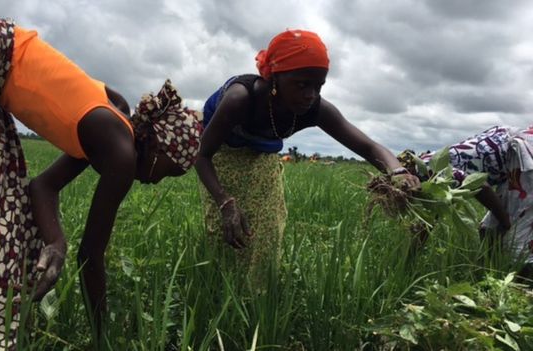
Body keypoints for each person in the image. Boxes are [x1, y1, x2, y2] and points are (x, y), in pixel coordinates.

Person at [0, 11, 202, 350]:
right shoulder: (120, 154)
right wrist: (101, 338)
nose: (157, 182)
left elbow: (42, 187)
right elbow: (91, 257)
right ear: (158, 146)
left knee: (5, 208)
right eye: (169, 170)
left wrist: (55, 242)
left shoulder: (112, 124)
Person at [195, 29, 419, 283]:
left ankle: (259, 297)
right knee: (225, 230)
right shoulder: (240, 99)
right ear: (275, 77)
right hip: (221, 156)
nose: (310, 94)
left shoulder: (314, 108)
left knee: (267, 229)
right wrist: (225, 202)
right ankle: (218, 291)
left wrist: (398, 172)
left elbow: (368, 146)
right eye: (301, 84)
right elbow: (202, 157)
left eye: (318, 85)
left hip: (262, 158)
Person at [398, 126, 533, 277]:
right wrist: (407, 262)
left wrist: (505, 221)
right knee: (490, 228)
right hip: (508, 151)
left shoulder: (429, 172)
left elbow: (481, 186)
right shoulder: (423, 179)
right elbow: (427, 222)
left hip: (522, 151)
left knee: (517, 232)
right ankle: (489, 273)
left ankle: (522, 285)